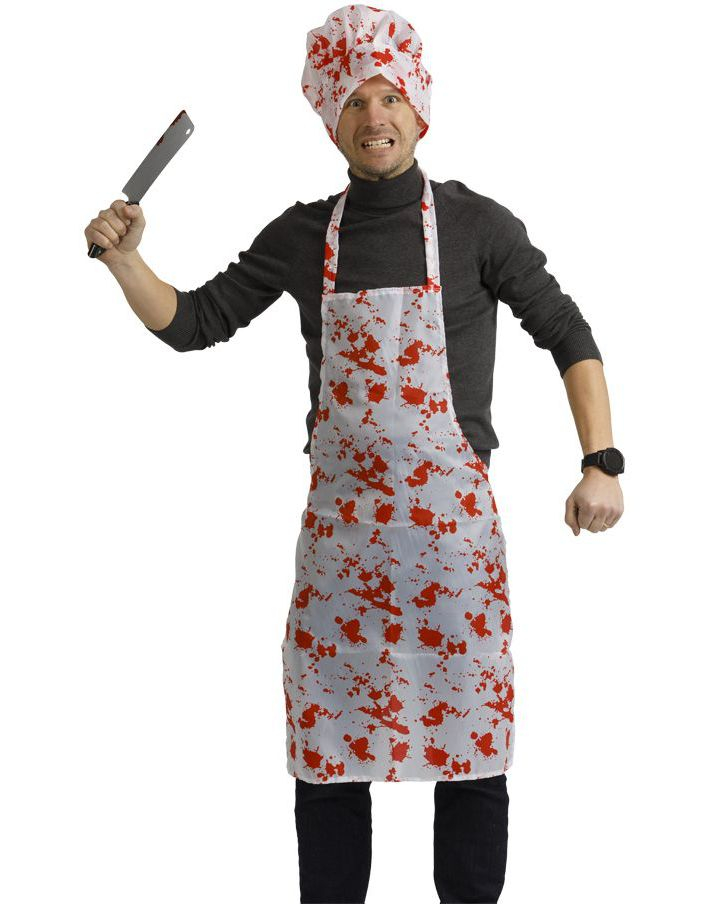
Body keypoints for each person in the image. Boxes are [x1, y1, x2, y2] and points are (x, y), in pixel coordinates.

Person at [84, 6, 625, 901]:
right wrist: (125, 261)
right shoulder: (303, 237)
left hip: (451, 551)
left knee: (470, 755)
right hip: (342, 553)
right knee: (329, 758)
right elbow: (195, 321)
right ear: (330, 122)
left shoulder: (479, 227)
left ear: (419, 110)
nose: (375, 115)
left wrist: (602, 460)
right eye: (354, 102)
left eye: (390, 97)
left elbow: (567, 333)